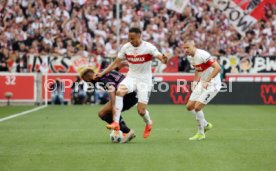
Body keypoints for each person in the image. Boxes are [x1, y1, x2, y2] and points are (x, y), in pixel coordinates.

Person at [97, 27, 168, 138]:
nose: (130, 40)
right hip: (131, 77)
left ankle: (149, 123)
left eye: (133, 38)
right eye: (129, 38)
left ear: (139, 36)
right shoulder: (126, 47)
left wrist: (164, 59)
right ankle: (116, 123)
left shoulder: (148, 47)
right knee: (119, 92)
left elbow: (161, 58)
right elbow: (116, 63)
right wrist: (102, 73)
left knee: (141, 111)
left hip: (144, 80)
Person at [81, 68, 137, 143]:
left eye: (86, 81)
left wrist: (114, 106)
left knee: (102, 113)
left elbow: (111, 88)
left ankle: (127, 131)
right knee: (108, 112)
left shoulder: (101, 79)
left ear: (87, 77)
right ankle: (125, 131)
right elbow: (117, 67)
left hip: (127, 97)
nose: (88, 82)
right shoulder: (106, 70)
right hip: (133, 93)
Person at [184, 40, 222, 140]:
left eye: (187, 47)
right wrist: (195, 82)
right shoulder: (190, 58)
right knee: (189, 107)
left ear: (193, 46)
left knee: (197, 107)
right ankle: (205, 124)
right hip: (202, 83)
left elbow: (218, 68)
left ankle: (201, 133)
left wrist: (208, 81)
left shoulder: (203, 55)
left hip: (213, 84)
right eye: (184, 48)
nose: (186, 50)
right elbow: (197, 69)